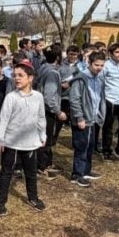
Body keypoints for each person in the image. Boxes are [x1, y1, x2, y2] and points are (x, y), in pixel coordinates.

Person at [0, 62, 47, 216]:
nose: (16, 78)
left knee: (30, 172)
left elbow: (41, 117)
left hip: (30, 142)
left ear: (30, 78)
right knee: (6, 172)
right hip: (11, 142)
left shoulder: (38, 97)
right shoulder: (11, 97)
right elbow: (4, 119)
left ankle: (33, 198)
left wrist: (42, 134)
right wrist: (0, 139)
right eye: (14, 75)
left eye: (20, 75)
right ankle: (1, 201)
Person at [68, 51, 106, 186]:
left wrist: (100, 113)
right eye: (96, 65)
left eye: (102, 65)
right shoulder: (80, 79)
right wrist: (79, 117)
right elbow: (74, 100)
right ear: (89, 63)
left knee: (90, 146)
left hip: (93, 118)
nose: (99, 68)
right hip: (83, 119)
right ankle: (77, 174)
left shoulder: (99, 79)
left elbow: (100, 98)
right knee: (81, 147)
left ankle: (86, 170)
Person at [36, 48, 65, 178]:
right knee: (46, 139)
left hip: (42, 108)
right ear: (58, 58)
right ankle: (42, 167)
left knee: (46, 138)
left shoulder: (43, 67)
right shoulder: (52, 73)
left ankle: (48, 163)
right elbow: (49, 96)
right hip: (47, 110)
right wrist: (58, 111)